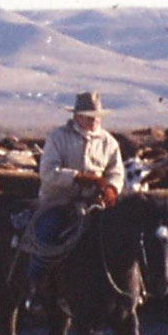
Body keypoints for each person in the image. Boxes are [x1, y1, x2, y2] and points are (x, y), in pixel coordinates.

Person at [26, 91, 126, 283]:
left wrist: (111, 188)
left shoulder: (109, 142)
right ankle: (35, 286)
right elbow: (47, 172)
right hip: (59, 202)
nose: (94, 120)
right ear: (77, 116)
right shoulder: (58, 138)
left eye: (97, 117)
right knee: (47, 233)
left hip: (95, 204)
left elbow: (117, 172)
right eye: (89, 116)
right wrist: (78, 178)